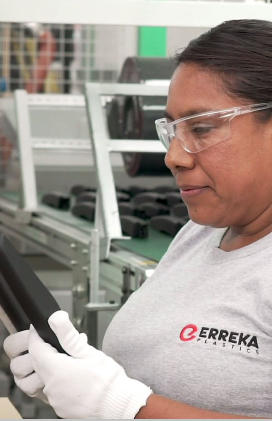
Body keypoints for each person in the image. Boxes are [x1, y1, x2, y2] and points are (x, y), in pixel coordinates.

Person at [3, 18, 272, 419]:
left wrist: (124, 406)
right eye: (173, 131)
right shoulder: (197, 234)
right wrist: (74, 381)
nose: (174, 156)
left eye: (201, 128)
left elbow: (129, 404)